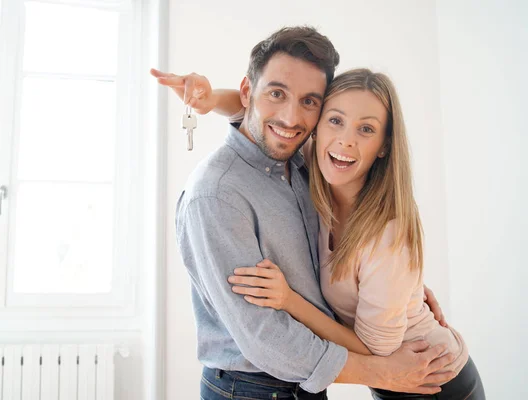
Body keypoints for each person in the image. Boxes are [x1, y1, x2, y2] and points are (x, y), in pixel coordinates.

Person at [153, 26, 457, 400]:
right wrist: (380, 372)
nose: (291, 117)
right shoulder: (218, 196)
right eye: (276, 93)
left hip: (310, 386)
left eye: (310, 102)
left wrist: (403, 290)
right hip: (251, 389)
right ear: (249, 92)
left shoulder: (299, 160)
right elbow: (265, 338)